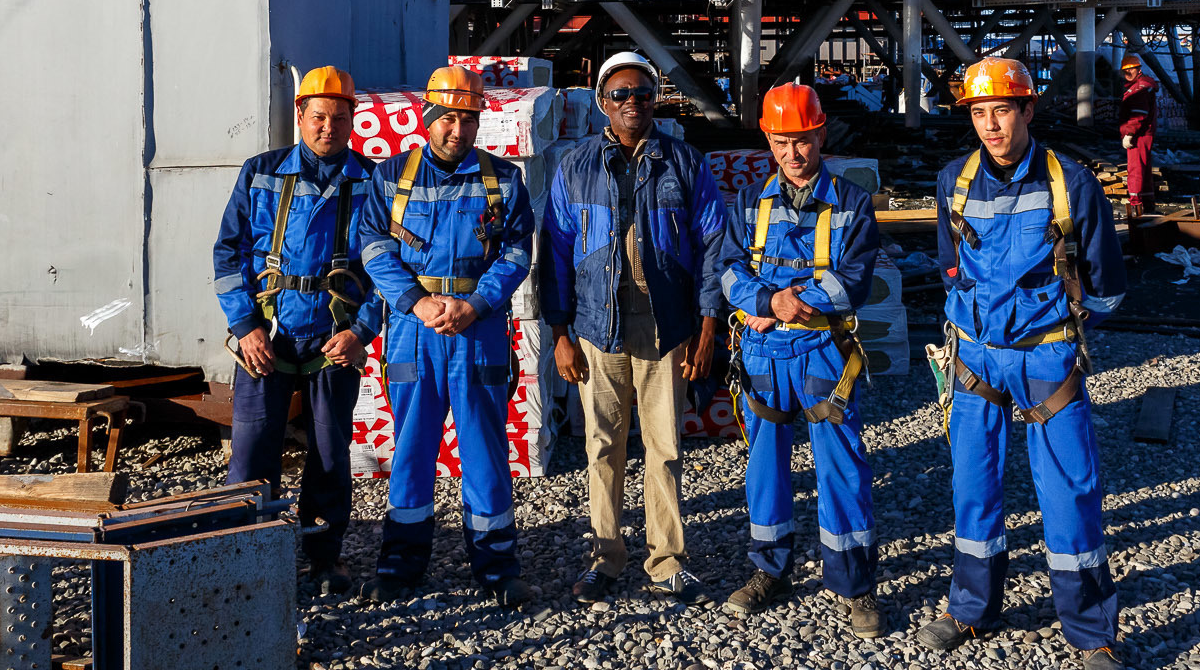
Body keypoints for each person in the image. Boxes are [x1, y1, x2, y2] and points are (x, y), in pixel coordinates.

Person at [920, 57, 1130, 670]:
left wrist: (1058, 334)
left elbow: (1108, 283)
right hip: (976, 359)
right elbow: (949, 266)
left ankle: (1094, 636)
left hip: (1046, 358)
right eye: (980, 114)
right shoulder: (953, 181)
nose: (991, 125)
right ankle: (972, 610)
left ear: (1028, 111)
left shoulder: (1071, 181)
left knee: (1069, 496)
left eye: (1002, 111)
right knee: (973, 488)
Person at [541, 52, 730, 605]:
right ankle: (606, 557)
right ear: (603, 102)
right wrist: (559, 333)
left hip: (663, 323)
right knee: (602, 446)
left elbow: (715, 243)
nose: (633, 103)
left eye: (643, 93)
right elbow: (554, 252)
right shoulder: (574, 167)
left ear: (656, 101)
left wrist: (707, 324)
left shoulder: (684, 162)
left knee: (664, 445)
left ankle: (667, 558)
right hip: (597, 326)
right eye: (621, 94)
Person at [357, 65, 537, 607]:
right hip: (415, 330)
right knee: (412, 447)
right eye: (449, 119)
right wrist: (418, 301)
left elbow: (516, 252)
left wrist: (476, 302)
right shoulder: (389, 178)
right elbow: (372, 248)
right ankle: (401, 564)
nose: (458, 130)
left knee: (483, 447)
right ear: (429, 116)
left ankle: (496, 565)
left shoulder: (503, 180)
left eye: (469, 119)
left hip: (477, 329)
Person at [717, 82, 884, 638]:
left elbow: (856, 278)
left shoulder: (853, 202)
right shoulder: (747, 202)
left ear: (822, 134)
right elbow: (729, 268)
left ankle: (855, 585)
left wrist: (788, 303)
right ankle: (770, 570)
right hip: (765, 356)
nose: (794, 153)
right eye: (782, 141)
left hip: (822, 352)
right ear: (768, 138)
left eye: (804, 140)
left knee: (842, 466)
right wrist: (763, 301)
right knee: (764, 468)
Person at [213, 66, 379, 594]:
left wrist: (362, 331)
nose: (328, 127)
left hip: (336, 340)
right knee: (253, 448)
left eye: (339, 117)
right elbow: (228, 253)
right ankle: (245, 555)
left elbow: (390, 267)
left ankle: (325, 557)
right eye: (318, 117)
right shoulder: (260, 173)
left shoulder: (372, 181)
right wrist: (244, 325)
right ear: (300, 118)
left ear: (353, 119)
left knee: (331, 451)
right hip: (268, 337)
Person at [1118, 53, 1158, 221]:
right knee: (1144, 168)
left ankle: (1135, 203)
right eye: (1125, 71)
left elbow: (1138, 114)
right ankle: (1148, 202)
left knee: (1135, 169)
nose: (1128, 73)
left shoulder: (1138, 89)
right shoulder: (1142, 86)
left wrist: (1129, 133)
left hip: (1138, 135)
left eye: (1131, 70)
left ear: (1138, 69)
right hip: (1144, 133)